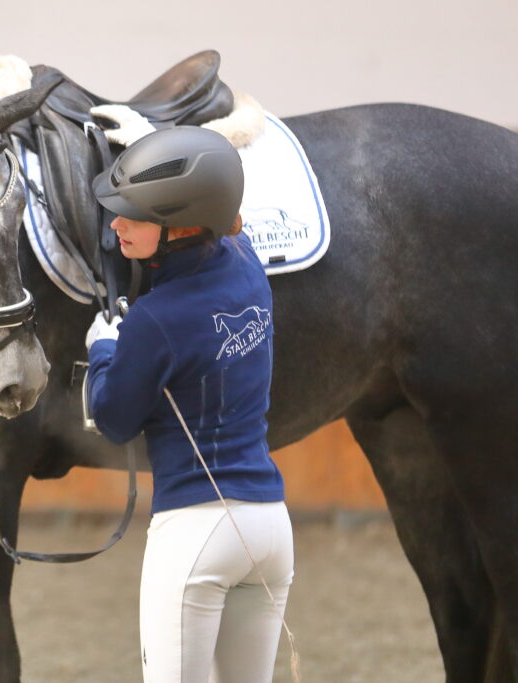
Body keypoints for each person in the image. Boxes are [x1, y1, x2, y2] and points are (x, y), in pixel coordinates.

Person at [84, 125, 293, 683]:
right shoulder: (248, 264)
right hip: (271, 529)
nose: (116, 225)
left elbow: (114, 419)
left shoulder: (153, 320)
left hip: (195, 533)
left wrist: (104, 349)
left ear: (182, 225)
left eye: (134, 216)